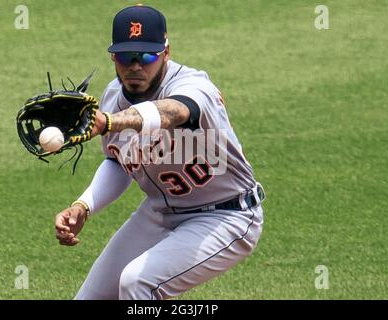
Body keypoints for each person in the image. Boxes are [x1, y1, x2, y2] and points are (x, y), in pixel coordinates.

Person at [54, 4, 265, 300]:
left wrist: (110, 122)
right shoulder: (113, 96)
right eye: (126, 56)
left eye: (147, 55)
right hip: (160, 212)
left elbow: (172, 112)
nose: (136, 66)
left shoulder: (193, 86)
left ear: (166, 52)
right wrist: (84, 205)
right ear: (114, 57)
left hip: (226, 215)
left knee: (138, 284)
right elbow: (117, 160)